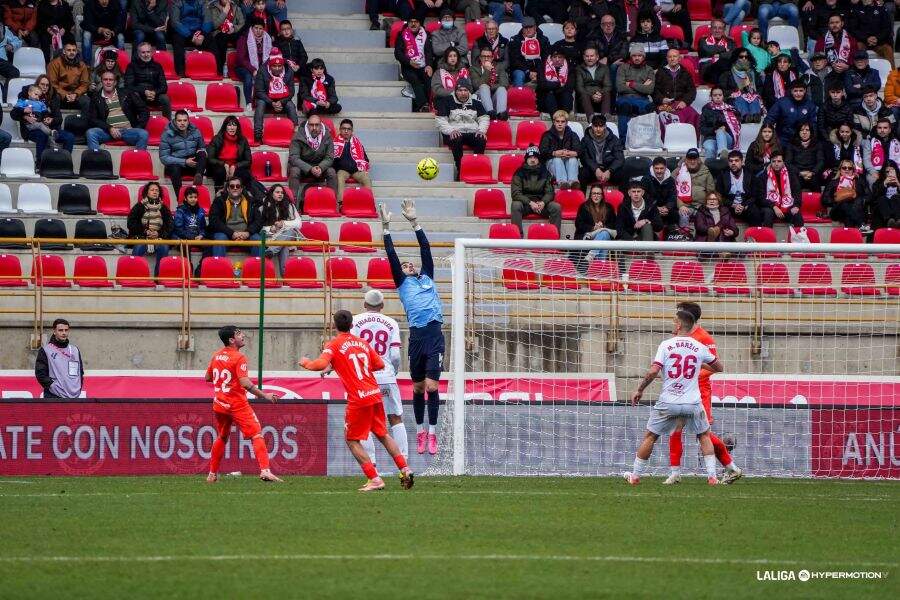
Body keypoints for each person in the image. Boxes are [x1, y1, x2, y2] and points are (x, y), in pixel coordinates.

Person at [300, 310, 414, 492]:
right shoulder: (362, 343)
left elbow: (319, 364)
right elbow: (380, 364)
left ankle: (374, 478)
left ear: (334, 326)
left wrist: (306, 362)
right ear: (352, 325)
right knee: (383, 434)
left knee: (352, 440)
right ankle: (405, 469)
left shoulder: (334, 344)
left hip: (359, 398)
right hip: (374, 393)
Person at [624, 306, 725, 486]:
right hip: (693, 402)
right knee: (704, 435)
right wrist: (698, 364)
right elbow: (719, 367)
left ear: (679, 325)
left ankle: (636, 476)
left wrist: (640, 389)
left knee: (650, 436)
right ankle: (712, 477)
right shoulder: (699, 347)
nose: (673, 324)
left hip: (669, 401)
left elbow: (653, 371)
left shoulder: (666, 345)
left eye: (674, 321)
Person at [378, 200, 446, 455]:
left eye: (410, 264)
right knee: (417, 388)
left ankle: (433, 433)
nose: (408, 265)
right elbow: (391, 255)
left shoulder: (427, 277)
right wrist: (386, 228)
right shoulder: (402, 283)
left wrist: (414, 223)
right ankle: (419, 431)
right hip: (417, 337)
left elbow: (425, 248)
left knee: (432, 387)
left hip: (434, 335)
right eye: (404, 266)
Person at [663, 302, 743, 485]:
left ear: (687, 317)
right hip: (680, 392)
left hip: (699, 392)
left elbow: (714, 367)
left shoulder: (704, 338)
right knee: (675, 429)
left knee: (703, 433)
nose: (675, 318)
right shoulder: (678, 336)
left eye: (678, 314)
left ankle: (731, 467)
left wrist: (690, 377)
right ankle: (675, 473)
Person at [205, 325, 282, 483]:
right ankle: (265, 471)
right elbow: (245, 383)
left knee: (222, 436)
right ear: (231, 340)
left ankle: (212, 474)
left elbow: (208, 377)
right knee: (256, 434)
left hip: (219, 404)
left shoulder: (216, 356)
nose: (243, 335)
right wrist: (265, 396)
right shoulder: (239, 357)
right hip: (237, 404)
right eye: (239, 334)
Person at [351, 289, 409, 461]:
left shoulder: (355, 321)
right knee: (395, 417)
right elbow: (395, 355)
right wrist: (393, 371)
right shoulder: (391, 323)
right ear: (382, 305)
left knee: (365, 421)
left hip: (364, 378)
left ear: (364, 304)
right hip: (386, 376)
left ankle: (372, 463)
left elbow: (352, 349)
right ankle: (403, 461)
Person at [9, 74, 75, 162]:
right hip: (32, 129)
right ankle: (40, 163)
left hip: (51, 129)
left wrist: (51, 120)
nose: (45, 87)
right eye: (42, 84)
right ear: (37, 84)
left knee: (70, 137)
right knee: (42, 135)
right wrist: (25, 116)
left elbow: (59, 118)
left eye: (47, 85)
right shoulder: (27, 94)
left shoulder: (54, 97)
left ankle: (64, 162)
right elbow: (13, 114)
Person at [435, 78, 488, 176]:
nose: (463, 93)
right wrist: (451, 131)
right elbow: (440, 120)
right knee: (456, 138)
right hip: (454, 132)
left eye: (465, 90)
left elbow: (484, 118)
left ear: (469, 91)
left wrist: (481, 130)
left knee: (481, 138)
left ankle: (476, 168)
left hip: (471, 132)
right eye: (460, 90)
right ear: (456, 91)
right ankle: (461, 169)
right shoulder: (447, 101)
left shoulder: (475, 101)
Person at [85, 70, 149, 151]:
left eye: (111, 80)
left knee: (143, 134)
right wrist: (109, 128)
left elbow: (144, 110)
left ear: (115, 82)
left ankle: (138, 158)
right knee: (91, 133)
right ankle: (96, 157)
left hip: (128, 131)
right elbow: (92, 119)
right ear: (101, 82)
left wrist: (138, 126)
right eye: (105, 79)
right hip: (107, 132)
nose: (108, 82)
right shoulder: (96, 97)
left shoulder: (126, 93)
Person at [510, 145, 561, 236]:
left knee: (556, 207)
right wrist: (530, 202)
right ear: (526, 159)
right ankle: (517, 236)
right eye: (530, 157)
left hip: (541, 204)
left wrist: (543, 202)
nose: (533, 160)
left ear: (538, 159)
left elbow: (550, 192)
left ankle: (554, 236)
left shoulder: (545, 172)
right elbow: (516, 193)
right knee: (515, 205)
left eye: (535, 157)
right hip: (526, 204)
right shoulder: (519, 173)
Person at [208, 175, 263, 257]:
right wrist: (231, 233)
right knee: (220, 239)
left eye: (238, 186)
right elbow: (214, 220)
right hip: (226, 234)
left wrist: (248, 232)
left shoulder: (251, 202)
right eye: (232, 186)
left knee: (257, 239)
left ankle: (258, 265)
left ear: (241, 189)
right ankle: (218, 265)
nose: (235, 188)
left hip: (246, 235)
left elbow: (258, 221)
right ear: (228, 189)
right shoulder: (219, 201)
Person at [287, 114, 337, 203]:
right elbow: (293, 158)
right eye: (311, 125)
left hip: (319, 167)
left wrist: (321, 167)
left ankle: (332, 202)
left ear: (321, 125)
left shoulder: (327, 136)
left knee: (332, 172)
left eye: (317, 125)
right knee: (294, 171)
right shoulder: (298, 136)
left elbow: (329, 157)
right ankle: (292, 202)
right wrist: (310, 168)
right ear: (307, 125)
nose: (314, 128)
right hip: (303, 168)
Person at [127, 182, 172, 276]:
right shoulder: (139, 206)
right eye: (152, 190)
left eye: (157, 190)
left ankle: (158, 278)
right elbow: (131, 223)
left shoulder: (163, 208)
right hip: (142, 237)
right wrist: (145, 231)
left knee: (164, 248)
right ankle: (135, 276)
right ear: (147, 192)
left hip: (159, 238)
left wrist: (159, 233)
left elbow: (170, 225)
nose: (155, 192)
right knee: (138, 248)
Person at [253, 48, 297, 142]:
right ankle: (258, 133)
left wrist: (281, 102)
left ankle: (296, 133)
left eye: (279, 66)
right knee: (260, 104)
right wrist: (272, 102)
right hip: (266, 99)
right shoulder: (262, 71)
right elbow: (259, 91)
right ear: (270, 65)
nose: (277, 68)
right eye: (274, 66)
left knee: (291, 105)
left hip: (283, 100)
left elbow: (291, 92)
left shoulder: (289, 71)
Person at [160, 110, 207, 198]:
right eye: (179, 120)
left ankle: (199, 176)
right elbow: (164, 157)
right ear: (175, 121)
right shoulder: (167, 134)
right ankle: (180, 199)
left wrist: (200, 151)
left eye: (185, 120)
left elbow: (202, 147)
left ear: (188, 121)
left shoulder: (195, 131)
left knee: (202, 153)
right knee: (175, 168)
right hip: (176, 165)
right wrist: (184, 161)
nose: (182, 123)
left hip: (192, 164)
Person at [653, 49, 699, 139]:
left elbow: (692, 91)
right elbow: (655, 90)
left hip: (681, 104)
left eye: (674, 56)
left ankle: (690, 140)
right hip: (664, 105)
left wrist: (685, 102)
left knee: (693, 114)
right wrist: (662, 99)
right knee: (665, 116)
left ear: (679, 58)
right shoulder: (660, 72)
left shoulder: (685, 73)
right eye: (670, 57)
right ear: (667, 58)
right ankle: (668, 141)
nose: (672, 59)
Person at [257, 183, 300, 276]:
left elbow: (298, 223)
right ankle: (284, 277)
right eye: (277, 192)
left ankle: (271, 251)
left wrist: (283, 223)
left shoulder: (290, 206)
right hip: (271, 237)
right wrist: (270, 229)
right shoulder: (263, 207)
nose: (280, 194)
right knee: (284, 246)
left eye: (282, 192)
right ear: (271, 193)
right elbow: (259, 227)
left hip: (285, 234)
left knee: (290, 232)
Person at [571, 184, 617, 271]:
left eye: (598, 194)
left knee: (604, 233)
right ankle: (599, 269)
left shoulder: (609, 207)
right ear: (590, 195)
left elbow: (614, 224)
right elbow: (579, 224)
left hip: (604, 234)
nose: (596, 196)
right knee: (603, 239)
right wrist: (593, 228)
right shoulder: (584, 207)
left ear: (602, 196)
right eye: (594, 193)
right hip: (588, 235)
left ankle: (591, 257)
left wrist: (603, 226)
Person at [752, 150, 804, 227]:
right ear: (770, 162)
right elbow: (760, 197)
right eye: (774, 161)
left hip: (787, 205)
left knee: (797, 214)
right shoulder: (764, 176)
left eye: (779, 161)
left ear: (783, 162)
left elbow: (797, 192)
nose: (776, 164)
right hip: (770, 207)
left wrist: (796, 205)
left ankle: (799, 234)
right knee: (768, 213)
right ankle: (767, 234)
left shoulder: (790, 175)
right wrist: (774, 206)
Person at [615, 44, 654, 143]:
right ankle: (623, 141)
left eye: (639, 56)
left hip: (642, 99)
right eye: (634, 55)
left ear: (643, 57)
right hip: (624, 97)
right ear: (631, 56)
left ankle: (644, 141)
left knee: (648, 107)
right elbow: (620, 88)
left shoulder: (649, 70)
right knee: (624, 106)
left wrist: (631, 84)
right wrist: (642, 86)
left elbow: (649, 90)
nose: (637, 58)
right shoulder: (623, 68)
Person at [35, 318, 84, 398]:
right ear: (54, 331)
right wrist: (53, 386)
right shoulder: (46, 350)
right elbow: (40, 374)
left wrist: (78, 387)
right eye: (60, 330)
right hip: (54, 396)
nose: (64, 333)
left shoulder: (75, 350)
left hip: (74, 396)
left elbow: (80, 372)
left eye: (66, 330)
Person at [394, 16, 434, 113]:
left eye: (416, 21)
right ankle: (423, 105)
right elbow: (398, 53)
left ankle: (431, 104)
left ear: (420, 23)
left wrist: (429, 65)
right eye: (411, 22)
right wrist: (409, 62)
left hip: (423, 65)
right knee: (414, 78)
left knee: (428, 78)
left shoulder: (426, 34)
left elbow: (429, 52)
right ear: (408, 24)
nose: (413, 24)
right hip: (408, 66)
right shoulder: (402, 34)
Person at [123, 42, 170, 119]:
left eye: (148, 52)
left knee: (165, 98)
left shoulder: (157, 66)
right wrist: (144, 91)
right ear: (138, 54)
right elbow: (128, 86)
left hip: (154, 95)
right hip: (139, 95)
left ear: (151, 53)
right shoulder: (132, 66)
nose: (146, 55)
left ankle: (167, 122)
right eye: (143, 52)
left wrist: (154, 92)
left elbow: (164, 86)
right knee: (133, 96)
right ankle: (135, 122)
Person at [207, 115, 253, 191]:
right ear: (225, 127)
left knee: (245, 175)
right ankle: (219, 194)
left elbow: (248, 160)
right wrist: (223, 164)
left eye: (234, 125)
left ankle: (243, 195)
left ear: (237, 127)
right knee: (220, 172)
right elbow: (210, 158)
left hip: (236, 166)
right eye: (229, 125)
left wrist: (235, 166)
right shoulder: (217, 139)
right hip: (219, 165)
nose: (232, 128)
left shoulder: (243, 140)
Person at [674, 148, 716, 231]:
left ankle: (703, 237)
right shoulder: (678, 172)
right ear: (686, 160)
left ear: (699, 160)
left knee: (705, 217)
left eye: (695, 159)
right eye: (690, 159)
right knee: (683, 214)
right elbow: (673, 192)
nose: (692, 161)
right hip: (685, 205)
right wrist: (681, 205)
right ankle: (685, 235)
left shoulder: (706, 172)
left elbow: (711, 192)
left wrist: (707, 206)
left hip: (701, 205)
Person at [765, 79, 817, 146]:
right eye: (795, 91)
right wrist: (768, 136)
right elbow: (769, 119)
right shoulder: (782, 103)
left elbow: (813, 124)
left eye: (801, 91)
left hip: (802, 141)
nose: (798, 93)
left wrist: (811, 140)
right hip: (783, 139)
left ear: (805, 91)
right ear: (791, 91)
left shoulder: (810, 105)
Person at [333, 119, 372, 203]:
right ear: (340, 129)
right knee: (339, 177)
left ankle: (368, 202)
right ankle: (341, 203)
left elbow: (365, 158)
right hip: (343, 170)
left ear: (352, 131)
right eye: (344, 128)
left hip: (356, 170)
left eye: (348, 129)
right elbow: (331, 159)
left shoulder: (357, 143)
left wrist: (363, 167)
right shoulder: (334, 143)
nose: (346, 131)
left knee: (366, 178)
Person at [716, 150, 760, 224]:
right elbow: (719, 196)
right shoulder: (722, 175)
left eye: (736, 161)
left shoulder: (750, 174)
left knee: (754, 211)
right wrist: (733, 205)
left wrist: (744, 205)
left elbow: (754, 195)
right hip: (729, 206)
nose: (733, 163)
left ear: (742, 162)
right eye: (731, 161)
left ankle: (754, 231)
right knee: (721, 211)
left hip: (745, 205)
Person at [234, 16, 270, 106]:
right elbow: (241, 59)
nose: (258, 31)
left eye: (260, 28)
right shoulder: (244, 38)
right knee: (248, 77)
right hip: (243, 67)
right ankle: (249, 103)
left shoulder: (267, 39)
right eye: (256, 28)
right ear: (252, 28)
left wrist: (262, 69)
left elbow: (268, 57)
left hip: (260, 67)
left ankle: (265, 102)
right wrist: (253, 70)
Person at [539, 110, 580, 189]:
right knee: (557, 159)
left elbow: (580, 150)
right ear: (554, 122)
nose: (560, 124)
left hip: (568, 163)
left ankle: (573, 182)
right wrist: (554, 153)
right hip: (552, 164)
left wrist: (572, 153)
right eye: (557, 121)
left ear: (566, 123)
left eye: (562, 121)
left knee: (573, 159)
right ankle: (562, 183)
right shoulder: (547, 135)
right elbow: (542, 152)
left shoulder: (573, 135)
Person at [720, 49, 764, 122]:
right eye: (741, 57)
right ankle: (745, 116)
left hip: (751, 97)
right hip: (734, 98)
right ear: (735, 58)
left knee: (754, 98)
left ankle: (756, 116)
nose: (744, 59)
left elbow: (760, 87)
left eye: (746, 57)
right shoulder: (727, 74)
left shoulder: (753, 73)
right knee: (740, 98)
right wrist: (736, 92)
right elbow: (721, 90)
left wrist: (755, 93)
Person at [822, 158, 868, 228]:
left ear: (853, 170)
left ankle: (850, 231)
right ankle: (861, 225)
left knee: (850, 210)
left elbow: (869, 196)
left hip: (856, 208)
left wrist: (860, 200)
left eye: (850, 168)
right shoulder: (833, 182)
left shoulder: (859, 181)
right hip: (838, 210)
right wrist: (838, 200)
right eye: (844, 168)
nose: (847, 170)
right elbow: (824, 200)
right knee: (845, 204)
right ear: (840, 170)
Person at [579, 113, 623, 186]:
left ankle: (620, 194)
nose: (598, 129)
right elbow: (584, 158)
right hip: (592, 170)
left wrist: (609, 170)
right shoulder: (586, 139)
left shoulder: (614, 139)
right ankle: (581, 194)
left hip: (609, 170)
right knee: (582, 173)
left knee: (621, 173)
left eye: (601, 126)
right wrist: (596, 169)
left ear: (605, 126)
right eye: (596, 126)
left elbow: (620, 158)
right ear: (592, 126)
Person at [207, 0, 246, 83]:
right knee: (222, 38)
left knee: (242, 39)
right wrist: (224, 12)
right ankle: (220, 69)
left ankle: (240, 68)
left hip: (233, 32)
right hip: (219, 32)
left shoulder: (236, 8)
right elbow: (215, 25)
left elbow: (242, 23)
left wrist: (234, 28)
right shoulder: (213, 8)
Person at [47, 39, 90, 111]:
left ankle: (84, 118)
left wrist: (76, 94)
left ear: (76, 52)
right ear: (64, 51)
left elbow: (84, 84)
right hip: (60, 94)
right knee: (54, 98)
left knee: (87, 101)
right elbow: (52, 83)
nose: (72, 52)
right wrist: (65, 94)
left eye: (74, 50)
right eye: (69, 50)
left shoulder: (82, 65)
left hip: (75, 95)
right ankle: (56, 118)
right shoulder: (54, 63)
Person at [172, 186, 208, 275]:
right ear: (185, 198)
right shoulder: (180, 211)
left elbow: (203, 227)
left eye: (195, 197)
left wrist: (201, 235)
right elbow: (178, 229)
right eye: (190, 197)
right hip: (184, 237)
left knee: (209, 246)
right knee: (184, 245)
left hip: (197, 237)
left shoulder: (200, 210)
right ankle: (188, 269)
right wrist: (192, 237)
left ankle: (200, 268)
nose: (193, 199)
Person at [171, 0, 212, 77]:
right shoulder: (177, 3)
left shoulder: (202, 2)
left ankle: (213, 69)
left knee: (210, 38)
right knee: (177, 39)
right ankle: (180, 71)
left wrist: (202, 34)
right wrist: (190, 35)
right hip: (184, 32)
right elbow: (175, 22)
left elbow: (208, 20)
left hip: (199, 31)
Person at [700, 86, 741, 161]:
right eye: (715, 95)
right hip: (711, 138)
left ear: (723, 96)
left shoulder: (731, 109)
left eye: (720, 95)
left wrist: (725, 129)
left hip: (727, 139)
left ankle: (722, 155)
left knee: (720, 131)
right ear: (711, 97)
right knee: (709, 148)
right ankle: (711, 167)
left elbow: (737, 127)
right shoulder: (706, 109)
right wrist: (714, 130)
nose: (718, 97)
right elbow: (702, 129)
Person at [848, 0, 894, 66]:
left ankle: (893, 72)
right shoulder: (856, 9)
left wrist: (877, 38)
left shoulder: (881, 9)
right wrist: (866, 38)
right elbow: (853, 29)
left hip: (879, 42)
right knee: (856, 47)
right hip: (862, 41)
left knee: (888, 49)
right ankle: (855, 71)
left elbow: (887, 28)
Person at [508, 16, 549, 87]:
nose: (528, 30)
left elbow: (546, 58)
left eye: (530, 27)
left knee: (547, 74)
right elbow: (515, 60)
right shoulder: (515, 40)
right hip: (521, 69)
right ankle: (519, 93)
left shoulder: (543, 40)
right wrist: (528, 71)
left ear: (535, 27)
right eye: (526, 28)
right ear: (522, 28)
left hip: (539, 69)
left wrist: (539, 72)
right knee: (519, 75)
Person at [469, 46, 509, 120]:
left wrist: (489, 87)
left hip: (494, 98)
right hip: (480, 98)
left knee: (502, 89)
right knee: (484, 87)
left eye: (488, 56)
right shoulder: (473, 68)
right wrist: (487, 70)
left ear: (492, 58)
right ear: (480, 58)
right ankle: (490, 114)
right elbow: (476, 85)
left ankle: (501, 115)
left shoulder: (499, 67)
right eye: (484, 56)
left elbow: (505, 84)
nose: (486, 59)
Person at [785, 122, 825, 192]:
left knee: (815, 182)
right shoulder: (791, 144)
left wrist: (812, 172)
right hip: (797, 173)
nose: (804, 132)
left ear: (811, 132)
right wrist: (800, 172)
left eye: (807, 130)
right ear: (798, 132)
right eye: (802, 130)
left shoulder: (817, 144)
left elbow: (821, 161)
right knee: (795, 183)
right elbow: (788, 162)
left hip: (812, 173)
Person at [575, 46, 611, 121]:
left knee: (607, 93)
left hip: (600, 95)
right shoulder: (579, 69)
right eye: (587, 56)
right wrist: (592, 95)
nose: (589, 58)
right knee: (583, 94)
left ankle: (605, 118)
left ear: (597, 57)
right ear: (584, 57)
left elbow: (608, 85)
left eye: (592, 56)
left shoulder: (604, 68)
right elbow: (579, 87)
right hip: (585, 98)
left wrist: (599, 94)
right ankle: (591, 119)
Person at [642, 156, 677, 233]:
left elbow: (673, 196)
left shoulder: (671, 180)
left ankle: (672, 234)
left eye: (661, 168)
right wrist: (656, 208)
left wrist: (667, 207)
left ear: (665, 168)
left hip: (666, 209)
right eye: (656, 168)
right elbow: (645, 197)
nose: (659, 171)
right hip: (652, 208)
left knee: (675, 213)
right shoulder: (646, 179)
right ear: (653, 168)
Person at [814, 12, 855, 77]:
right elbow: (818, 58)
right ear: (828, 25)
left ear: (842, 24)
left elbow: (855, 56)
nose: (834, 25)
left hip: (847, 70)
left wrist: (847, 66)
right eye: (832, 23)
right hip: (828, 70)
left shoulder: (851, 39)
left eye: (837, 22)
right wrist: (831, 64)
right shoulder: (822, 40)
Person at [863, 118, 900, 186]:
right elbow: (866, 160)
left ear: (890, 129)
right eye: (879, 128)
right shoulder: (869, 141)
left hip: (895, 169)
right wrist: (873, 172)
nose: (882, 130)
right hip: (876, 170)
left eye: (885, 128)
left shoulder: (897, 141)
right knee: (872, 179)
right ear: (876, 129)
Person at [698, 19, 734, 85]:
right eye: (714, 28)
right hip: (707, 70)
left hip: (724, 69)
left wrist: (720, 55)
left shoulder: (730, 41)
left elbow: (733, 54)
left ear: (724, 30)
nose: (717, 30)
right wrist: (724, 49)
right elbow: (707, 50)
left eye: (720, 28)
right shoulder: (703, 40)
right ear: (711, 29)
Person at [537, 48, 573, 114]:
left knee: (567, 95)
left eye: (560, 57)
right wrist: (558, 84)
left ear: (564, 58)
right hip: (546, 97)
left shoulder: (570, 68)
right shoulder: (543, 66)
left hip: (561, 97)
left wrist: (552, 87)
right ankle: (555, 118)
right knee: (549, 94)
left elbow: (569, 86)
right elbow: (542, 85)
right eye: (554, 57)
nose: (557, 59)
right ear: (551, 58)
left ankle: (564, 117)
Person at [871, 160, 900, 229]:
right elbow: (874, 196)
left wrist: (898, 184)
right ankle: (889, 221)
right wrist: (884, 184)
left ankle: (898, 221)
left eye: (892, 171)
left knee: (895, 197)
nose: (890, 173)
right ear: (884, 173)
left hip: (897, 208)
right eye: (887, 172)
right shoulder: (879, 182)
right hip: (884, 210)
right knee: (882, 199)